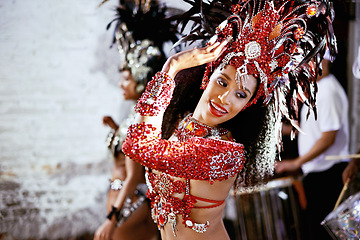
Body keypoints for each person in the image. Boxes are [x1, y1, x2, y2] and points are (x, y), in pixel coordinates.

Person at [121, 0, 336, 239]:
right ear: (208, 78)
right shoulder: (184, 126)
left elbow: (138, 146)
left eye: (240, 94)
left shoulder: (224, 152)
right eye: (222, 81)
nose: (224, 98)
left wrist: (172, 67)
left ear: (248, 105)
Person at [94, 1, 179, 239]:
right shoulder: (137, 117)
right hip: (129, 204)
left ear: (141, 80)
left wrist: (112, 220)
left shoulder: (137, 122)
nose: (121, 84)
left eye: (126, 79)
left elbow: (133, 176)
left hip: (128, 207)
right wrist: (114, 127)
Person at [275, 57, 350, 239]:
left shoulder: (329, 92)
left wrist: (295, 163)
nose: (303, 69)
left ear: (322, 63)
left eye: (307, 63)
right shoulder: (319, 90)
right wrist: (281, 129)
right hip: (320, 174)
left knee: (328, 233)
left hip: (328, 174)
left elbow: (328, 138)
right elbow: (314, 128)